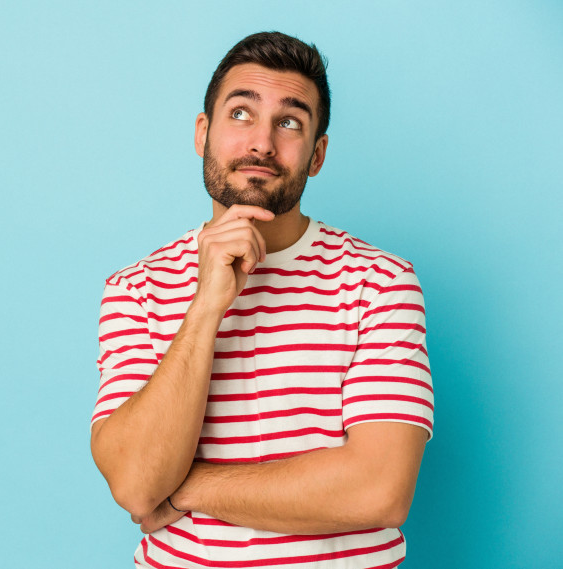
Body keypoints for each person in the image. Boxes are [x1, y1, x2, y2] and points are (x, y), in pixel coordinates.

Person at [90, 31, 433, 568]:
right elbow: (136, 487)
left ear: (317, 154)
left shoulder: (380, 281)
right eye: (241, 114)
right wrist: (206, 306)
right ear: (204, 132)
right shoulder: (136, 288)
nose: (262, 144)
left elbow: (379, 491)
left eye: (290, 122)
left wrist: (187, 488)